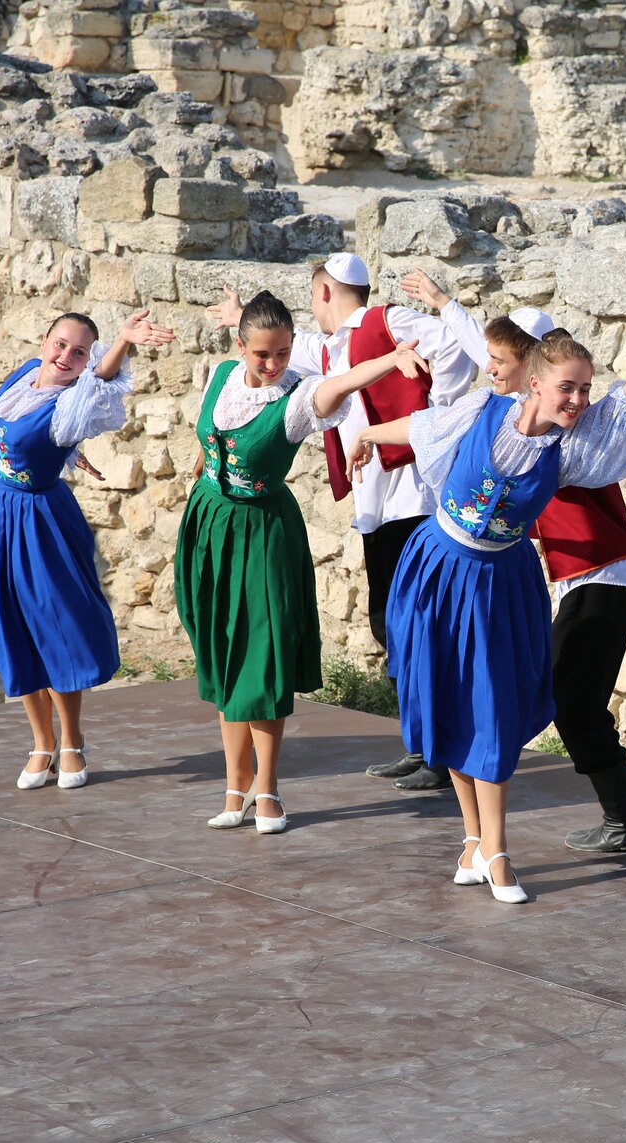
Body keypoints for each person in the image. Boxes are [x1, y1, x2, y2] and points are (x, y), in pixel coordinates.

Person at [345, 294, 626, 902]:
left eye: (585, 389)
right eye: (568, 387)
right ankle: (474, 841)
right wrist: (368, 435)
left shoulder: (569, 451)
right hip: (438, 566)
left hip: (499, 583)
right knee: (449, 702)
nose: (579, 400)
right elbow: (424, 425)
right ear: (535, 383)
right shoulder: (484, 407)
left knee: (493, 713)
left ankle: (501, 853)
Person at [400, 268, 626, 853]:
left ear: (531, 374)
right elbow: (484, 372)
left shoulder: (575, 432)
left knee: (571, 699)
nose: (489, 370)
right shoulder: (504, 415)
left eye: (500, 362)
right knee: (560, 695)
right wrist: (444, 303)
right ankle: (470, 777)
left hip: (601, 571)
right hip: (564, 575)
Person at [208, 254, 473, 791]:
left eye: (311, 295)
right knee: (391, 625)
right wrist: (239, 315)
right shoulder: (323, 347)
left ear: (323, 291)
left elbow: (456, 351)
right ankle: (420, 744)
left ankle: (441, 754)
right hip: (377, 502)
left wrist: (426, 422)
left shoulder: (388, 322)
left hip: (412, 499)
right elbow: (291, 350)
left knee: (419, 625)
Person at [176, 291, 428, 834]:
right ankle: (233, 788)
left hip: (262, 534)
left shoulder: (293, 399)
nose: (273, 365)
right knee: (224, 653)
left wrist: (390, 359)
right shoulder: (222, 377)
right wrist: (200, 470)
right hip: (211, 524)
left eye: (284, 354)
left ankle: (267, 791)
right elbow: (209, 438)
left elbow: (339, 384)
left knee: (262, 659)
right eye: (263, 354)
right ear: (241, 346)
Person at [0, 309, 174, 791]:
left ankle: (71, 739)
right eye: (60, 344)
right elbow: (13, 434)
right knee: (13, 627)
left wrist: (120, 343)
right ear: (45, 342)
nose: (65, 356)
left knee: (54, 625)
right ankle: (41, 743)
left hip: (39, 522)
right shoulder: (25, 376)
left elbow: (96, 385)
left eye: (78, 352)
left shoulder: (74, 398)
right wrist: (68, 452)